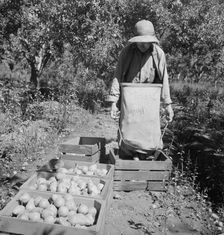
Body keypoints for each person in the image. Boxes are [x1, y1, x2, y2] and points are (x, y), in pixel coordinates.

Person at [107, 20, 174, 160]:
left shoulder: (158, 54)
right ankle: (127, 159)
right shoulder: (126, 52)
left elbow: (164, 79)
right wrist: (113, 101)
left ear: (152, 41)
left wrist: (167, 105)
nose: (143, 45)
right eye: (140, 42)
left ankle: (145, 159)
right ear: (135, 41)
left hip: (149, 99)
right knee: (128, 129)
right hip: (129, 99)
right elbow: (118, 76)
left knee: (148, 131)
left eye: (147, 42)